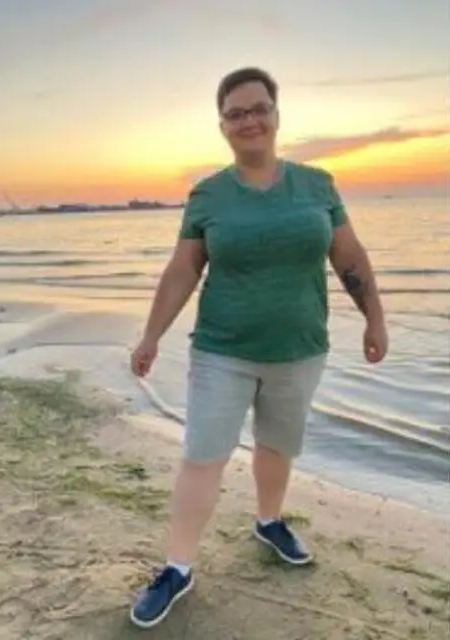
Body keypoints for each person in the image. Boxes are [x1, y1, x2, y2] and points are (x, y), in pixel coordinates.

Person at [129, 67, 388, 629]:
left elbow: (348, 256)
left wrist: (375, 319)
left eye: (258, 108)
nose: (249, 120)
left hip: (299, 348)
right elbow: (183, 270)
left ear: (276, 115)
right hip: (222, 349)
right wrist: (151, 335)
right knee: (204, 454)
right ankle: (177, 567)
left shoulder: (317, 185)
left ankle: (269, 522)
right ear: (222, 125)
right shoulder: (208, 194)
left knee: (277, 446)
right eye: (236, 113)